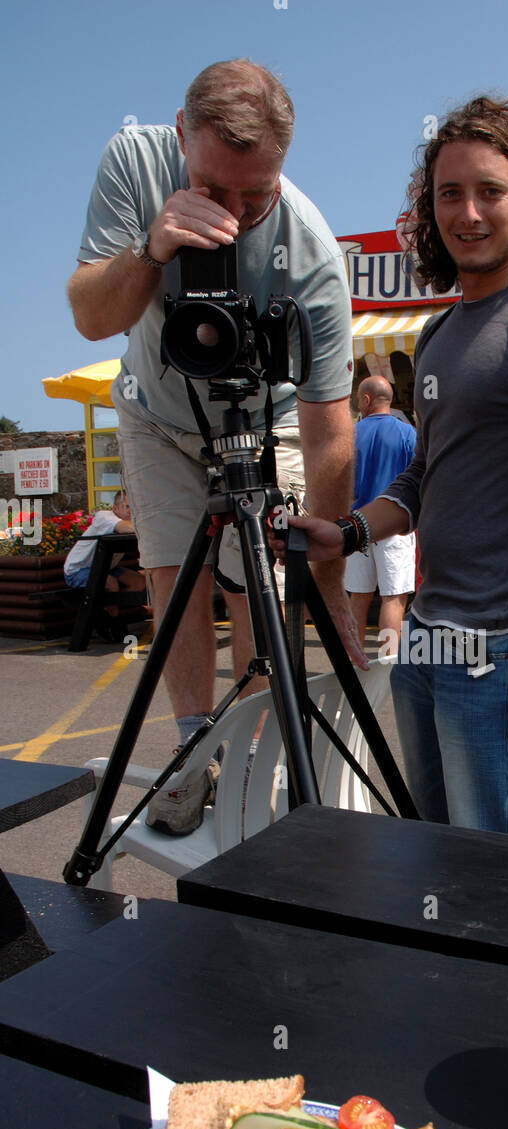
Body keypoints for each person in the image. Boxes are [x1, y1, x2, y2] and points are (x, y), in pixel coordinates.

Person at [284, 95, 508, 840]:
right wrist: (344, 534)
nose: (468, 212)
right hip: (425, 638)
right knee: (436, 850)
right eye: (450, 194)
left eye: (490, 191)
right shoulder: (440, 334)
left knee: (505, 875)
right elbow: (423, 478)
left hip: (505, 647)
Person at [67, 60, 360, 835]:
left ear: (284, 167)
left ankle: (259, 758)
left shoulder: (315, 256)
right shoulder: (134, 160)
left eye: (254, 195)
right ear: (178, 137)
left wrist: (328, 585)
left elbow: (332, 426)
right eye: (212, 189)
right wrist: (155, 245)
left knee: (257, 581)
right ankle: (197, 751)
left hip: (269, 419)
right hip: (158, 413)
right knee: (174, 577)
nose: (231, 216)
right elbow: (93, 318)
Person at [344, 376, 416, 649]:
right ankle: (388, 664)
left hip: (356, 523)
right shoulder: (407, 433)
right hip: (395, 522)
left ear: (366, 399)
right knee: (393, 598)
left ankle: (354, 664)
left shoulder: (350, 434)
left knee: (358, 597)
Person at [63, 491, 146, 615]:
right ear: (115, 508)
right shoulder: (104, 517)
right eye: (127, 506)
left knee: (140, 582)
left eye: (134, 507)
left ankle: (105, 613)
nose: (131, 511)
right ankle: (113, 623)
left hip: (105, 566)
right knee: (110, 583)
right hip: (78, 570)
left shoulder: (132, 522)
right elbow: (127, 528)